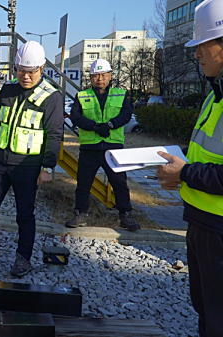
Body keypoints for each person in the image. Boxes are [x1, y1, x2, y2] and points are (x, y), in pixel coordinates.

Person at [155, 1, 223, 335]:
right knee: (206, 310)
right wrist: (178, 166)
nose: (197, 55)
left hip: (219, 229)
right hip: (201, 221)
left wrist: (185, 173)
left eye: (202, 46)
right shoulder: (216, 94)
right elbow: (206, 153)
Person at [0, 41, 64, 277]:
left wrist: (48, 167)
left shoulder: (52, 97)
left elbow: (55, 134)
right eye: (21, 70)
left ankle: (23, 258)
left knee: (25, 214)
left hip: (27, 166)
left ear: (42, 68)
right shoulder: (8, 89)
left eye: (31, 71)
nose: (26, 76)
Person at [64, 58, 140, 231]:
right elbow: (75, 116)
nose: (100, 79)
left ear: (110, 76)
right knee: (83, 183)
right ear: (90, 78)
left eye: (103, 75)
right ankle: (79, 214)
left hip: (113, 147)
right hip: (90, 147)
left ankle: (126, 216)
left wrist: (110, 125)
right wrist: (95, 127)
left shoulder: (121, 94)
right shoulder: (82, 96)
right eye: (96, 75)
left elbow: (126, 114)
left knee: (120, 183)